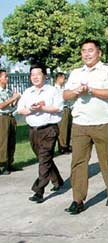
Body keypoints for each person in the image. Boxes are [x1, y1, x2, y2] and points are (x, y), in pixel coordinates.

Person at [63, 40, 108, 215]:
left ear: (99, 53)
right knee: (78, 162)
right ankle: (77, 200)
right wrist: (76, 92)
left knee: (107, 159)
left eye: (90, 50)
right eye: (83, 51)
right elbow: (65, 95)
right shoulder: (75, 73)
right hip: (80, 124)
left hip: (103, 122)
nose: (86, 54)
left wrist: (91, 91)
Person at [17, 64, 64, 203]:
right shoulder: (28, 92)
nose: (35, 77)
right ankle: (58, 181)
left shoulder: (52, 91)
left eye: (38, 74)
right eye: (32, 75)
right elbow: (20, 110)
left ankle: (39, 190)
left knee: (44, 160)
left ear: (45, 75)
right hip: (33, 130)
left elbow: (57, 108)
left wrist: (43, 107)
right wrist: (32, 109)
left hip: (49, 129)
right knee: (44, 158)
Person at [0, 69, 21, 175]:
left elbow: (11, 105)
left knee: (11, 140)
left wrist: (16, 99)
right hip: (2, 117)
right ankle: (2, 164)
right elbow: (1, 105)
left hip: (10, 116)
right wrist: (12, 98)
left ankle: (9, 162)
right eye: (5, 77)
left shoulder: (8, 91)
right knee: (3, 141)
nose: (7, 78)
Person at [54, 72, 72, 154]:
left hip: (67, 108)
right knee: (62, 129)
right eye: (63, 78)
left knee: (68, 128)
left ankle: (67, 145)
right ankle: (62, 147)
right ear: (59, 78)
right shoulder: (55, 89)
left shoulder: (63, 88)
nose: (64, 80)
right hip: (61, 109)